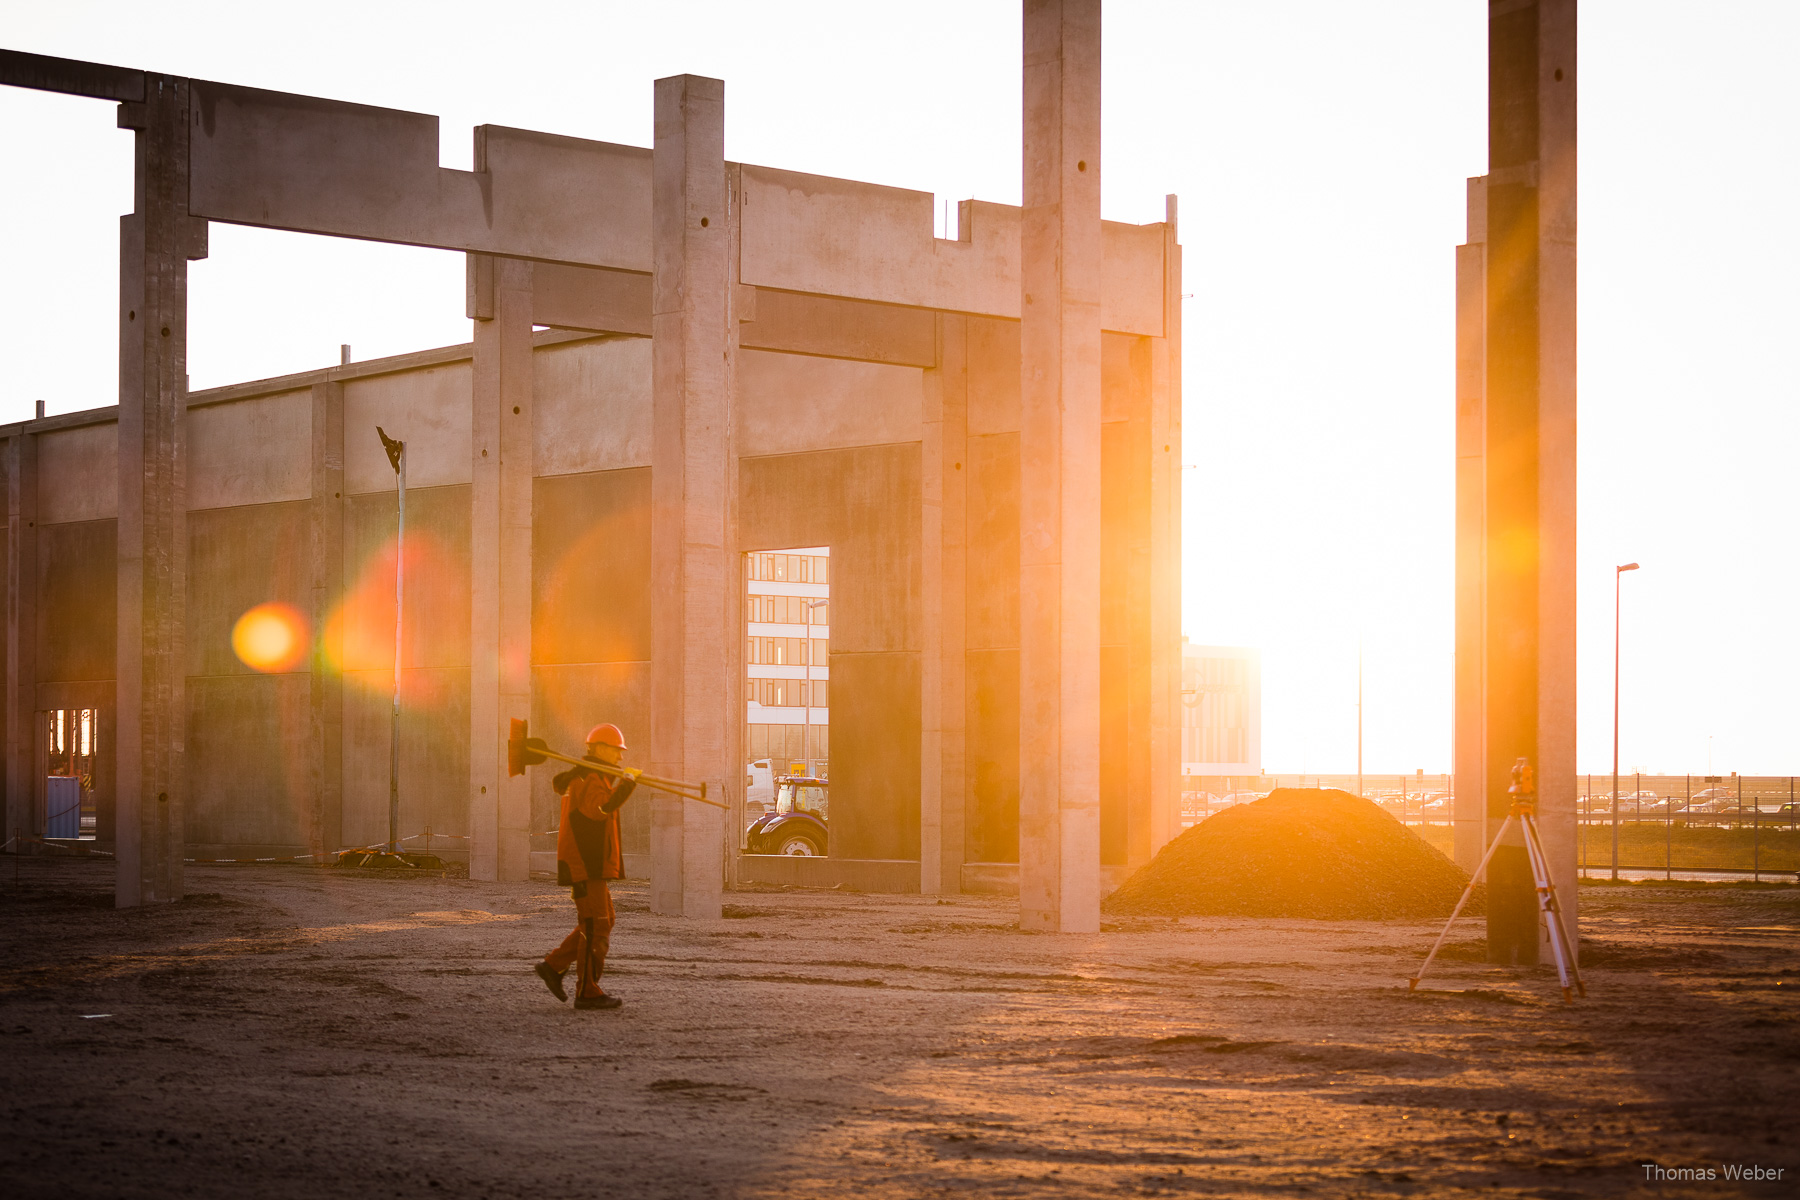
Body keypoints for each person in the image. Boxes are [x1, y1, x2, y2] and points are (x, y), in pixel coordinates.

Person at [534, 723, 638, 1010]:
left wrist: (621, 782)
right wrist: (626, 785)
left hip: (590, 864)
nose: (620, 757)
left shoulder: (591, 775)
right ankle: (587, 991)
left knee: (601, 922)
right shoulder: (590, 777)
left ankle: (553, 965)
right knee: (596, 927)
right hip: (584, 864)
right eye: (617, 751)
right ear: (602, 749)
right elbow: (599, 810)